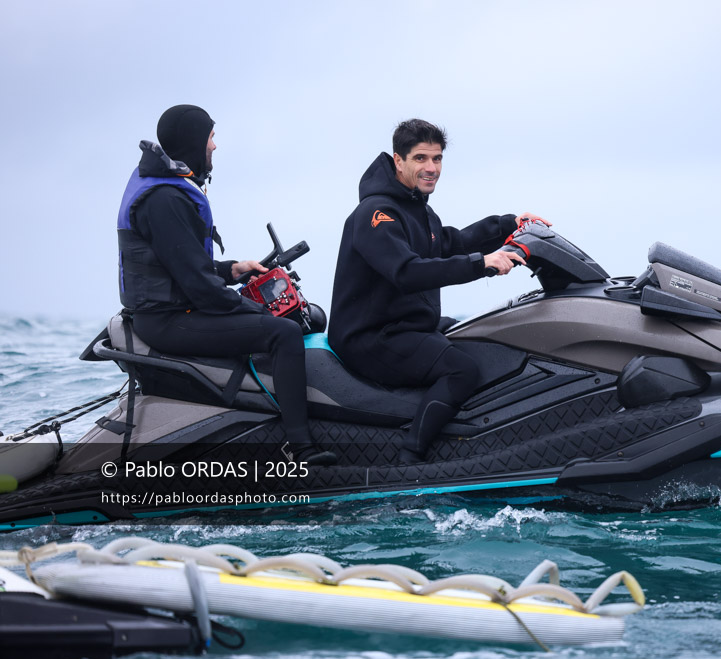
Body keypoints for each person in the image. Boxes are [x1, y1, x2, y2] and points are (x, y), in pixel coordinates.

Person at [116, 104, 337, 465]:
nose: (214, 146)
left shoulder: (165, 189)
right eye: (211, 137)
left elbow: (185, 268)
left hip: (174, 310)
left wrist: (235, 269)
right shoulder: (165, 200)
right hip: (168, 321)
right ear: (192, 141)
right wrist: (254, 309)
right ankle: (300, 447)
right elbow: (200, 288)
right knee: (283, 332)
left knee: (279, 320)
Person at [329, 118, 549, 464]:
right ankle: (411, 457)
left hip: (407, 325)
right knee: (461, 370)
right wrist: (482, 264)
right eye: (420, 159)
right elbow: (407, 272)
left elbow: (450, 243)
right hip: (370, 336)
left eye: (437, 158)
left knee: (482, 334)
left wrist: (510, 224)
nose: (431, 168)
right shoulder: (376, 215)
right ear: (398, 160)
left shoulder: (419, 210)